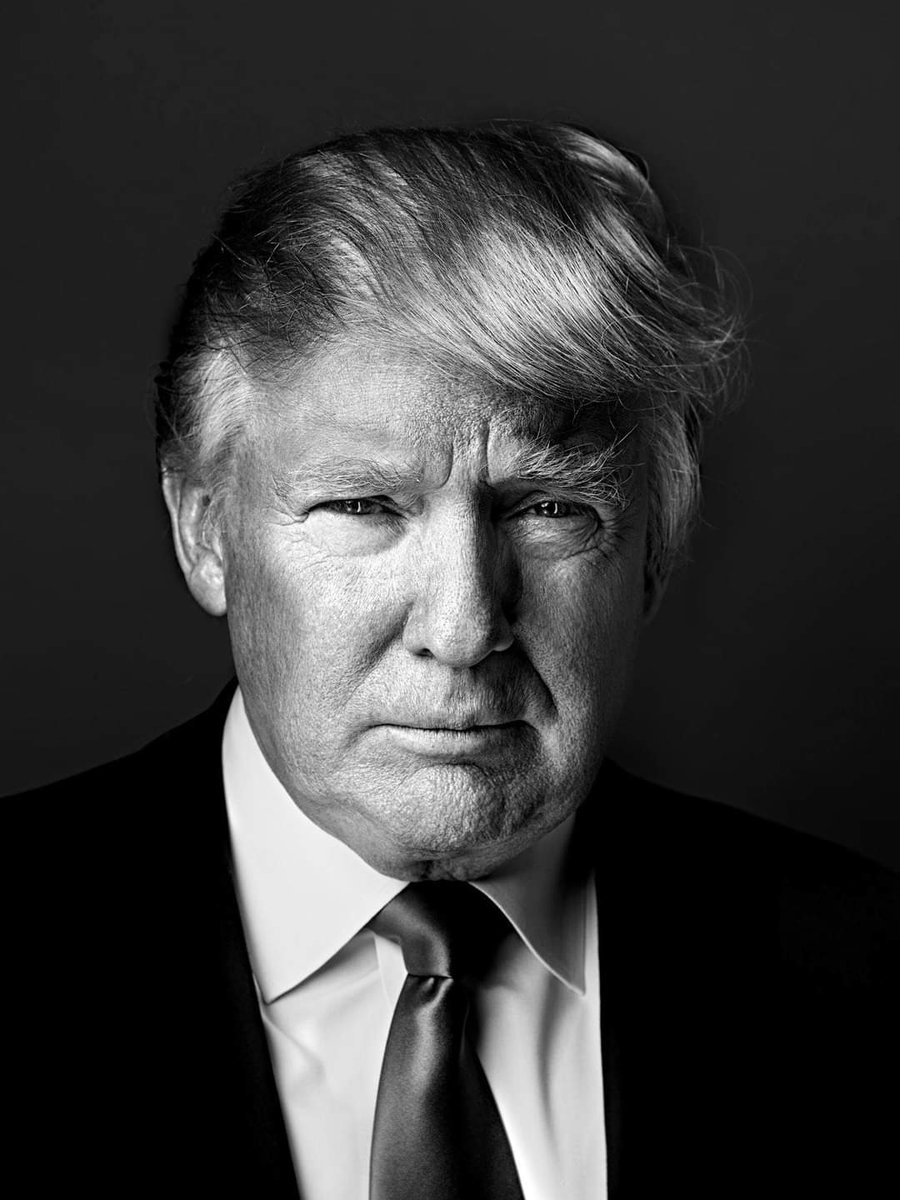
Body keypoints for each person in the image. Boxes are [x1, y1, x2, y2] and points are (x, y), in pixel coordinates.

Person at [8, 123, 897, 1199]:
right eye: (364, 506)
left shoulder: (867, 983)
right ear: (205, 533)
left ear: (655, 552)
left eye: (550, 509)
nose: (466, 625)